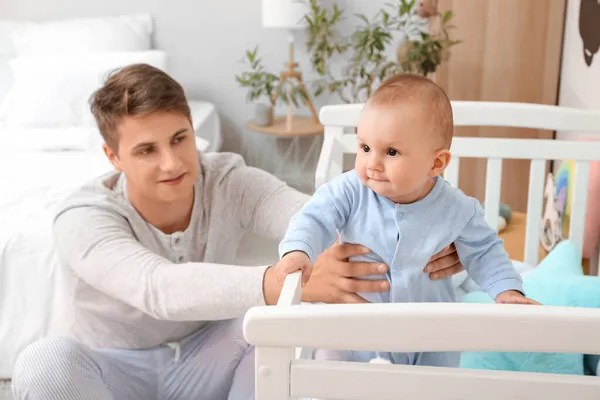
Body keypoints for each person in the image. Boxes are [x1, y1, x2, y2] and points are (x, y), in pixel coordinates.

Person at [11, 65, 464, 400]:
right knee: (42, 363)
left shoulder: (225, 178)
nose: (172, 163)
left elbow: (313, 215)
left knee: (301, 328)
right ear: (113, 157)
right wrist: (286, 280)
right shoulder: (81, 216)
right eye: (146, 150)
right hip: (110, 371)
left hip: (205, 359)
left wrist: (429, 234)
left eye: (179, 138)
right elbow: (157, 288)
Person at [277, 73, 540, 368]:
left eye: (391, 152)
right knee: (329, 361)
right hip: (356, 328)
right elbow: (314, 217)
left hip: (430, 334)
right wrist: (299, 250)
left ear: (436, 163)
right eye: (364, 147)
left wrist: (507, 291)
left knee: (436, 385)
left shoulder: (457, 208)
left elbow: (485, 250)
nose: (372, 163)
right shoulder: (350, 190)